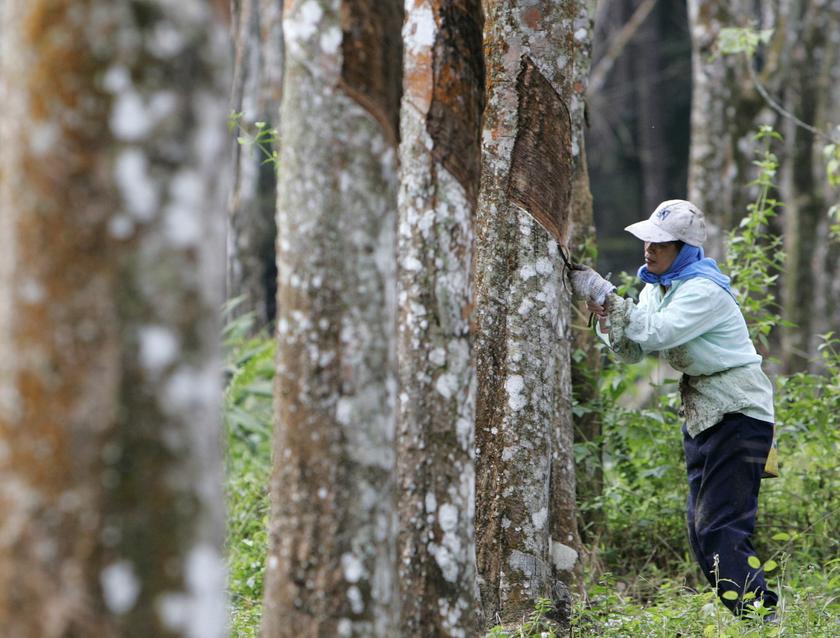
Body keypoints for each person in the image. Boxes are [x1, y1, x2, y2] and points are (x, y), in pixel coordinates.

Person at [569, 199, 778, 618]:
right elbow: (633, 349)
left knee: (719, 525)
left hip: (739, 413)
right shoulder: (655, 288)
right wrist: (604, 316)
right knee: (700, 529)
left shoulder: (703, 289)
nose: (649, 248)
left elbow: (658, 331)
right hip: (703, 414)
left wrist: (607, 295)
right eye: (648, 240)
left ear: (684, 249)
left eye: (661, 244)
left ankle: (763, 616)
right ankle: (751, 616)